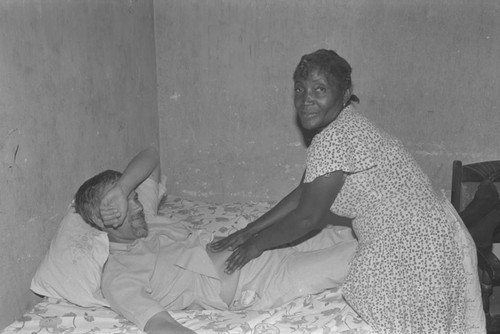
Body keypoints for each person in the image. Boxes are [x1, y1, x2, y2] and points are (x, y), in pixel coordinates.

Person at [208, 49, 486, 333]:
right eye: (300, 89)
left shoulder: (332, 141)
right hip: (432, 231)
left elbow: (307, 217)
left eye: (320, 89)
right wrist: (250, 229)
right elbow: (305, 191)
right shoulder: (346, 123)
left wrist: (256, 245)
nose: (306, 100)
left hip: (413, 245)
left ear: (344, 94)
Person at [73, 146, 357, 334]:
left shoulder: (144, 220)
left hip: (266, 241)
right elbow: (159, 324)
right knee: (359, 257)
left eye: (132, 197)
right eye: (120, 205)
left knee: (362, 232)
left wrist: (123, 189)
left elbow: (151, 155)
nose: (134, 207)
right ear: (99, 221)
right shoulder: (119, 274)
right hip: (259, 282)